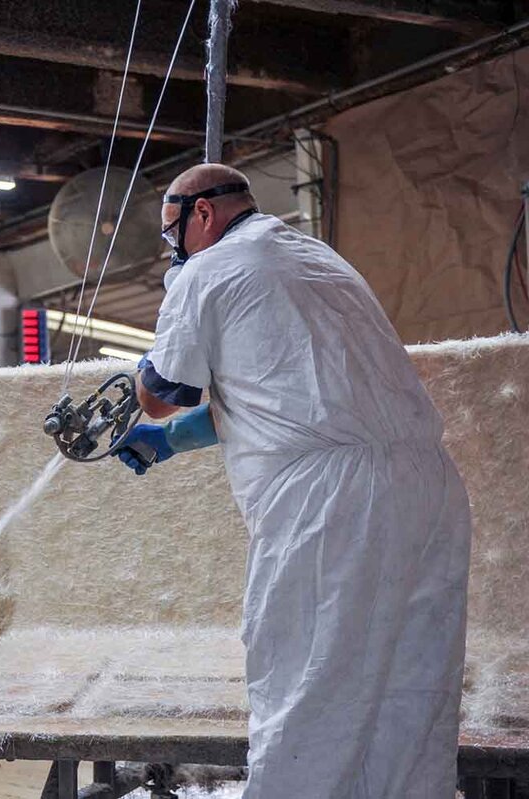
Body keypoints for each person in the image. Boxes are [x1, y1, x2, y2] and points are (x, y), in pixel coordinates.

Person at [119, 163, 472, 798]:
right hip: (427, 486)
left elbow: (157, 392)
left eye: (173, 232)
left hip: (329, 505)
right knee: (409, 692)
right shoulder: (316, 259)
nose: (172, 248)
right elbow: (287, 396)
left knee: (308, 687)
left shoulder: (207, 269)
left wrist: (176, 297)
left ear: (202, 214)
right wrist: (174, 441)